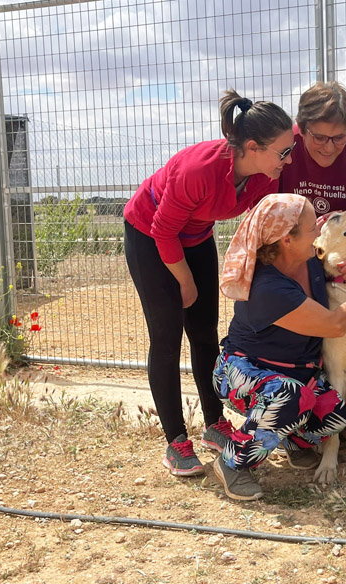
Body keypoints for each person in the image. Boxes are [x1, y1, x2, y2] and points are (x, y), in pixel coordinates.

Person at [123, 90, 295, 477]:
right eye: (283, 152)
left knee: (204, 333)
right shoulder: (198, 170)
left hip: (196, 236)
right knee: (166, 338)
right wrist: (184, 281)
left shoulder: (262, 176)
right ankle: (175, 442)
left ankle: (214, 425)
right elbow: (162, 231)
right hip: (150, 236)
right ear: (252, 147)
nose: (288, 160)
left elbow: (264, 227)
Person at [213, 193, 346, 501]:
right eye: (312, 227)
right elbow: (334, 324)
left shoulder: (308, 263)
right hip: (244, 373)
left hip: (293, 374)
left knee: (335, 412)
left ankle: (291, 438)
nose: (318, 230)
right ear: (285, 240)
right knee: (290, 398)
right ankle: (232, 461)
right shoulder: (268, 287)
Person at [279, 81, 346, 285]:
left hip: (343, 262)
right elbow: (265, 217)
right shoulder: (284, 147)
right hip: (290, 255)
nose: (328, 148)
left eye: (339, 138)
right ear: (301, 127)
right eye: (319, 137)